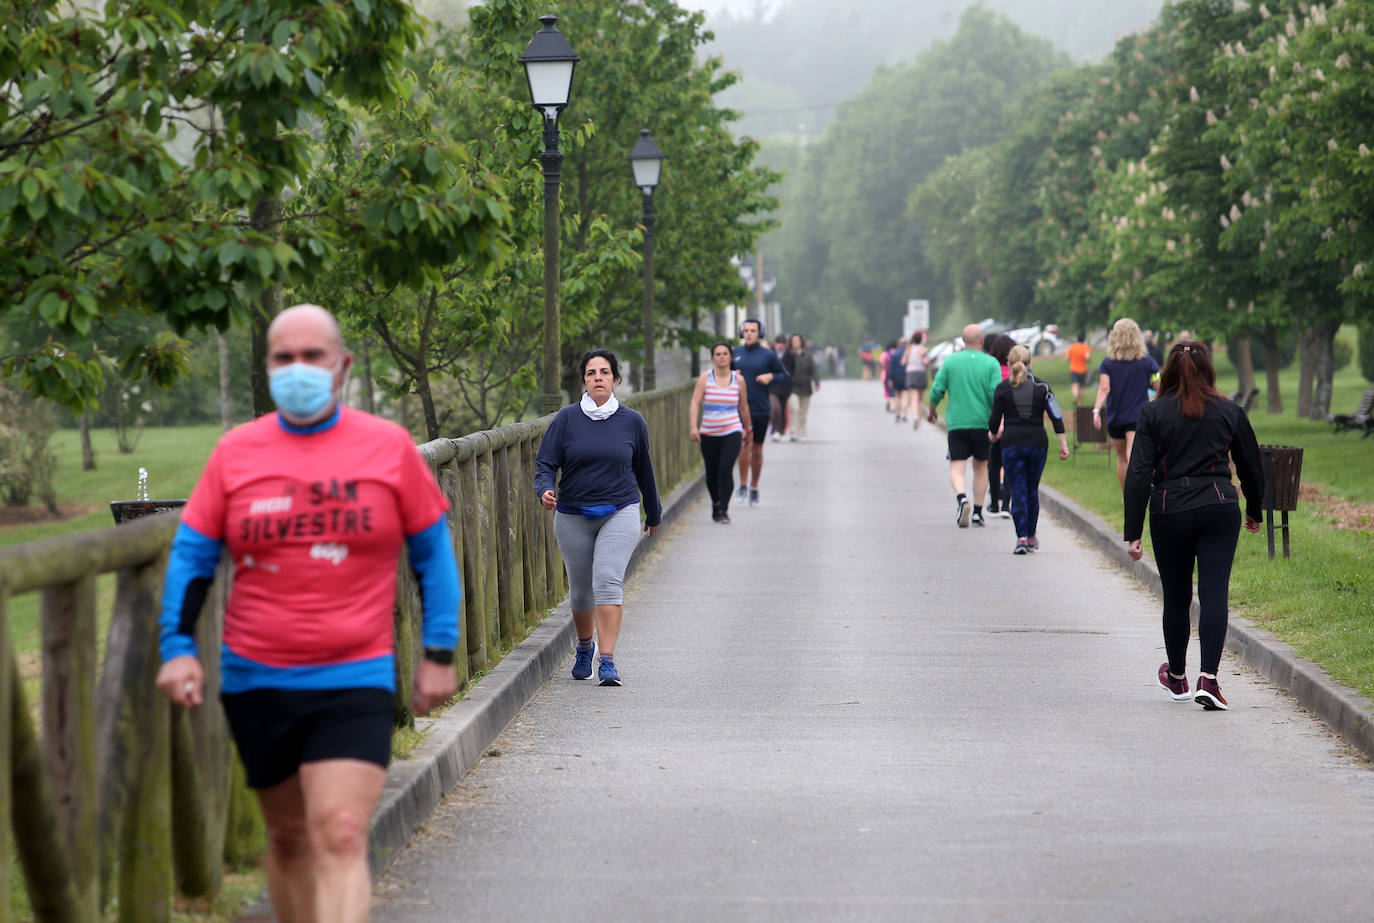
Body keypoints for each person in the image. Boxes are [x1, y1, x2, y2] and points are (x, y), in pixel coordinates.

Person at [155, 304, 461, 923]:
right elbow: (192, 556)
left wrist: (438, 652)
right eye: (283, 358)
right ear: (268, 368)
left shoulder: (387, 447)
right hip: (257, 678)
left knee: (341, 833)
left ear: (341, 366)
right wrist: (177, 648)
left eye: (312, 356)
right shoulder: (236, 453)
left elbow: (432, 555)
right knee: (291, 840)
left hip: (355, 674)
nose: (298, 368)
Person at [1123, 339, 1264, 710]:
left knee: (1177, 596)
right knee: (1215, 592)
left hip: (1169, 509)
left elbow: (1139, 473)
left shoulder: (1153, 413)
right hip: (1219, 505)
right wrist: (1255, 508)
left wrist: (1133, 531)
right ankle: (1209, 679)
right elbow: (1251, 464)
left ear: (1167, 372)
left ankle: (1177, 676)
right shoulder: (1229, 410)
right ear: (1208, 370)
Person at [536, 348, 661, 687]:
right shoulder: (566, 419)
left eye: (604, 372)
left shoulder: (632, 422)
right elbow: (546, 462)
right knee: (580, 591)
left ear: (616, 380)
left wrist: (653, 510)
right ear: (583, 382)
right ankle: (584, 646)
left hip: (620, 510)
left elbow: (644, 469)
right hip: (572, 513)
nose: (598, 378)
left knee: (607, 581)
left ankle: (607, 661)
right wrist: (544, 489)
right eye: (591, 373)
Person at [988, 345, 1069, 554]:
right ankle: (1031, 535)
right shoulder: (1043, 387)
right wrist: (1063, 444)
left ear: (1008, 364)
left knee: (1018, 490)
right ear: (1030, 362)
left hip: (1012, 444)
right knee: (1032, 490)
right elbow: (1056, 417)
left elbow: (994, 421)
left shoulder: (1003, 388)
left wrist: (993, 434)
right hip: (1037, 444)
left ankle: (1021, 537)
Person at [927, 324, 1004, 528]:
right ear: (982, 340)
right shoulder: (991, 363)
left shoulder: (951, 361)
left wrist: (932, 410)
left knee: (957, 465)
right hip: (982, 423)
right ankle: (978, 512)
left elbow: (937, 389)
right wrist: (999, 419)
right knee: (981, 466)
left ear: (963, 340)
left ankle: (962, 498)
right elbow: (995, 393)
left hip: (958, 423)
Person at [1092, 317, 1160, 491]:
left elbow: (1104, 388)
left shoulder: (1107, 363)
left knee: (1121, 458)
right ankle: (1138, 493)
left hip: (1115, 417)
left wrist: (1096, 410)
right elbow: (1158, 384)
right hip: (1138, 416)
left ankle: (1125, 496)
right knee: (1133, 456)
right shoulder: (1147, 362)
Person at [689, 342, 750, 523]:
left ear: (730, 356)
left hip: (732, 430)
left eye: (725, 353)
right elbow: (695, 403)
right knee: (712, 472)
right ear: (713, 358)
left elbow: (744, 407)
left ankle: (724, 509)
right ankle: (715, 503)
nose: (722, 357)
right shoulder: (704, 378)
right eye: (718, 354)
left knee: (725, 469)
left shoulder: (738, 380)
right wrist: (693, 427)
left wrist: (748, 428)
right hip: (709, 431)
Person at [733, 319, 788, 506]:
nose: (749, 333)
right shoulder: (735, 353)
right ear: (742, 333)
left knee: (756, 448)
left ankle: (754, 487)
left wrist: (770, 376)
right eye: (746, 330)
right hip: (739, 408)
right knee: (743, 445)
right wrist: (732, 376)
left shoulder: (768, 355)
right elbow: (721, 374)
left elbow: (784, 375)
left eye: (753, 330)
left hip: (760, 408)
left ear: (760, 333)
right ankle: (742, 485)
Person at [983, 333, 1015, 518]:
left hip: (995, 419)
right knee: (1009, 463)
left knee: (994, 463)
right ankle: (1006, 505)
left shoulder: (991, 369)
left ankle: (994, 503)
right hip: (1012, 421)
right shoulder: (1015, 372)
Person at [785, 332, 820, 441]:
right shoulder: (788, 355)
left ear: (801, 342)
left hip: (805, 387)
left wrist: (817, 383)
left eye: (797, 341)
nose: (795, 343)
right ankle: (793, 431)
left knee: (803, 412)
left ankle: (802, 432)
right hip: (792, 387)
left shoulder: (807, 356)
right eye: (793, 341)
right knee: (794, 408)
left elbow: (814, 370)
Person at [901, 332, 929, 427]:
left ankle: (915, 415)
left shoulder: (909, 349)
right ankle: (920, 419)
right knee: (920, 399)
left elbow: (903, 362)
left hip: (911, 373)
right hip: (921, 373)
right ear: (921, 340)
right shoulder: (923, 349)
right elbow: (926, 362)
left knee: (914, 397)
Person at [769, 334, 791, 441]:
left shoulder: (789, 355)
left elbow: (791, 371)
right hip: (772, 385)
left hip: (785, 386)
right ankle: (775, 429)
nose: (779, 346)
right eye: (778, 343)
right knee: (775, 408)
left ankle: (781, 429)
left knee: (782, 408)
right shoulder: (770, 354)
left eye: (782, 344)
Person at [1066, 332, 1092, 406]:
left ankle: (1075, 396)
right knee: (1081, 387)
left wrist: (1072, 359)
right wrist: (1089, 361)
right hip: (1083, 370)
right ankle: (1080, 404)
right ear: (1084, 339)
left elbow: (1067, 358)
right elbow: (1087, 357)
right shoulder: (1085, 347)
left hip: (1074, 369)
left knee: (1074, 385)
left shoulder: (1072, 347)